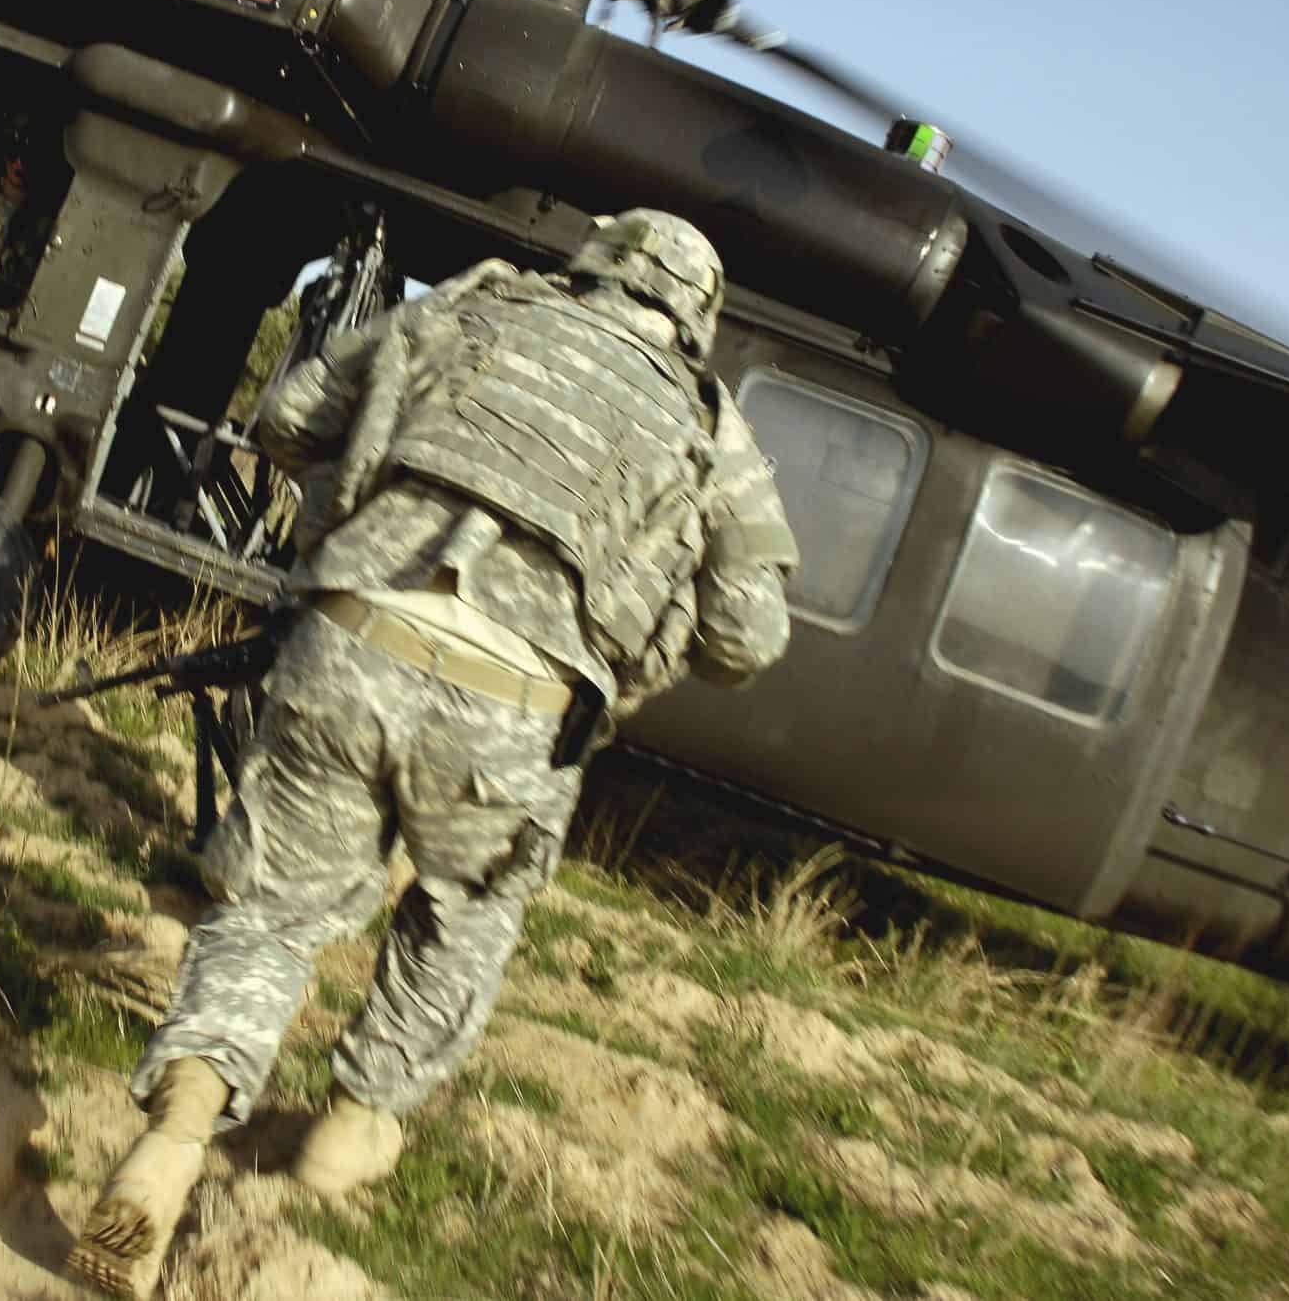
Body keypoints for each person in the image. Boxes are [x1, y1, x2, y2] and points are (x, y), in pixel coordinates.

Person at [64, 210, 799, 1299]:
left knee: (267, 913)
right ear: (697, 314)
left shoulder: (467, 305)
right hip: (513, 706)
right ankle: (352, 1122)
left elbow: (288, 415)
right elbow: (749, 637)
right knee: (461, 917)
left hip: (351, 634)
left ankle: (173, 1134)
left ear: (592, 263)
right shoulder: (710, 427)